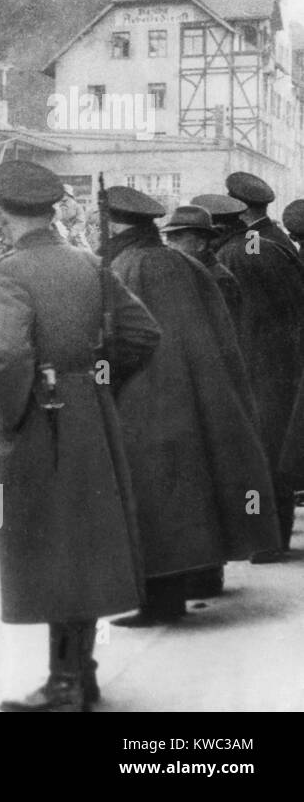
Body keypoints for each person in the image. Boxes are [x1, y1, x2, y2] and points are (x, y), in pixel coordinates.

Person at [0, 161, 161, 712]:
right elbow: (142, 334)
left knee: (49, 544)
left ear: (2, 211)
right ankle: (78, 673)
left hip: (43, 413)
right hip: (88, 411)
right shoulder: (90, 262)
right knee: (81, 542)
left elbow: (10, 355)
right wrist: (97, 379)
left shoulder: (10, 270)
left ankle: (65, 686)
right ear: (52, 209)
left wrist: (13, 414)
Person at [105, 186, 279, 623]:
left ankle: (159, 601)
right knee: (195, 487)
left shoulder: (125, 266)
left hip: (146, 398)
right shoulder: (189, 266)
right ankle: (200, 574)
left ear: (115, 224)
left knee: (154, 497)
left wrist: (101, 381)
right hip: (201, 394)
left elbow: (116, 339)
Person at [216, 172, 304, 559]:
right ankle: (271, 536)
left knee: (262, 454)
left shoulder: (249, 247)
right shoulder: (275, 239)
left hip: (260, 364)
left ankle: (266, 540)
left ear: (238, 207)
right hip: (281, 364)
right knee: (276, 451)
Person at [162, 205, 240, 324]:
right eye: (168, 238)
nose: (170, 245)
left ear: (201, 244)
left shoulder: (219, 279)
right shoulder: (182, 271)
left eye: (177, 238)